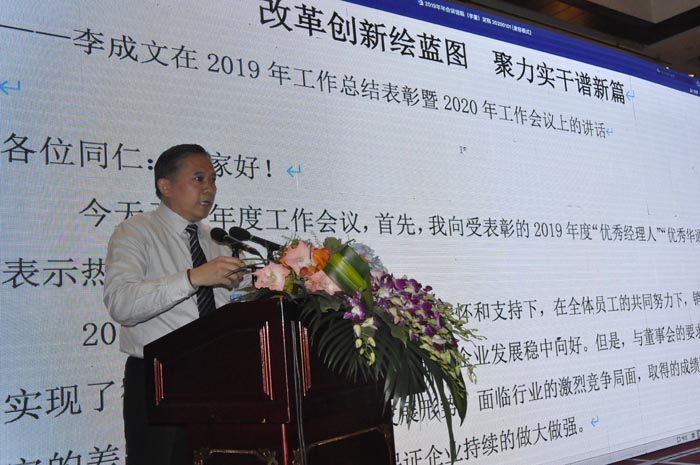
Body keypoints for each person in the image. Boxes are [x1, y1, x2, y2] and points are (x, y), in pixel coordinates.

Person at [104, 144, 250, 465]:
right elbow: (121, 303)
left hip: (224, 380)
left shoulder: (220, 241)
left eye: (213, 180)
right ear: (165, 186)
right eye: (199, 179)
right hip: (161, 380)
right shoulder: (135, 232)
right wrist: (193, 278)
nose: (209, 188)